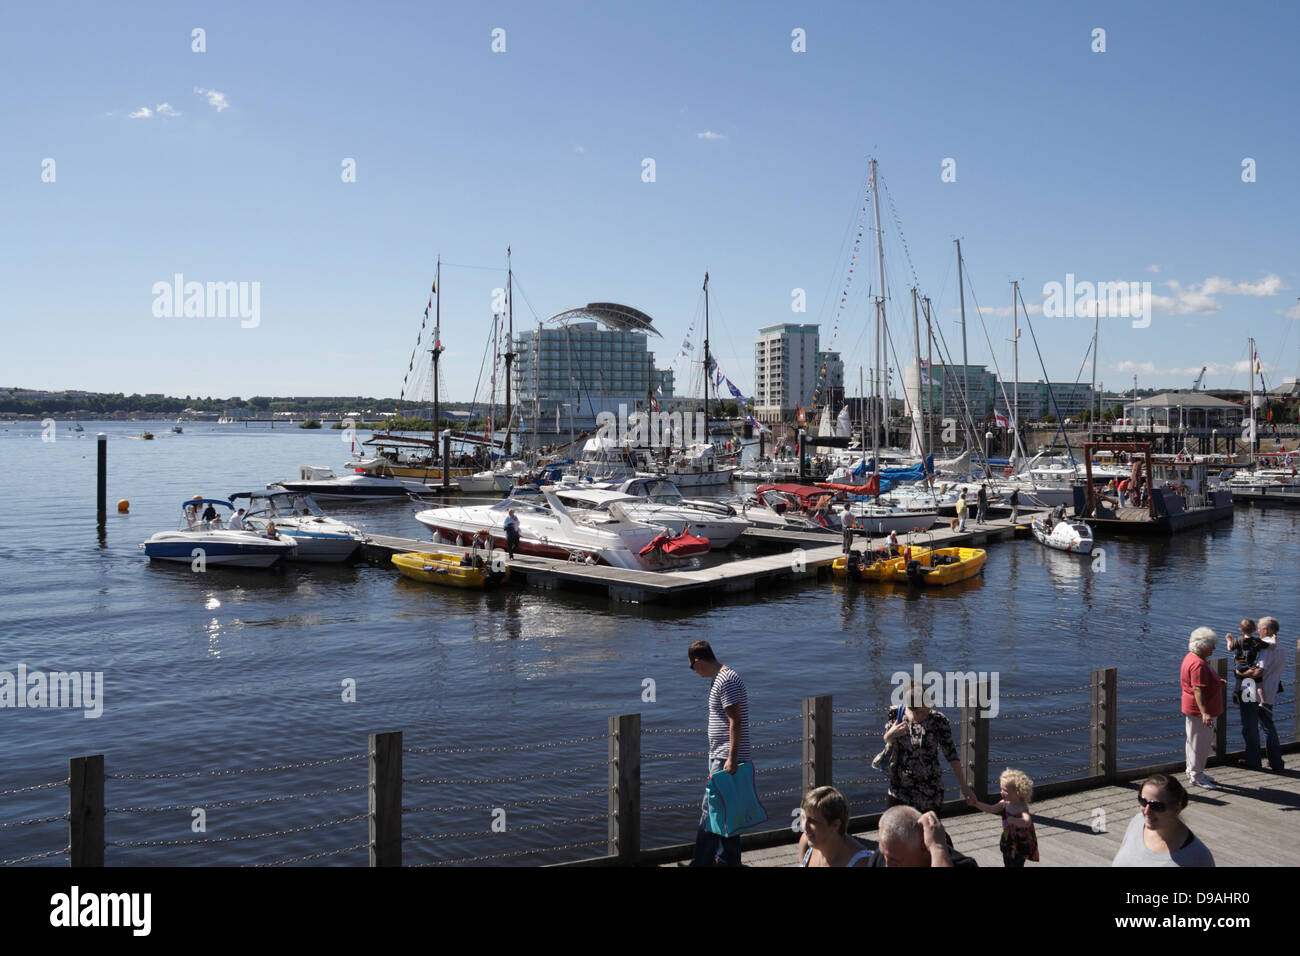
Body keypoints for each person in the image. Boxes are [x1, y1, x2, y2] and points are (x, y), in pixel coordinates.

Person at [688, 640, 751, 867]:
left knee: (710, 810)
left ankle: (701, 863)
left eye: (691, 667)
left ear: (698, 661)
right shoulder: (721, 679)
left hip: (726, 758)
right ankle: (727, 860)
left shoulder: (726, 680)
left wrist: (732, 759)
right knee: (728, 811)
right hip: (722, 756)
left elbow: (735, 721)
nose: (693, 672)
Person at [882, 677, 974, 814]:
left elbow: (952, 755)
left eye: (927, 709)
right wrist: (889, 735)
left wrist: (964, 786)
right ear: (910, 708)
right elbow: (887, 741)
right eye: (920, 712)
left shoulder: (938, 720)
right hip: (899, 788)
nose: (924, 713)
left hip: (929, 789)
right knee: (895, 830)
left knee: (928, 831)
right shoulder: (896, 715)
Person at [1111, 774, 1215, 867]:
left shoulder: (1198, 857)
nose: (1147, 811)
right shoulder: (1137, 822)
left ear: (1176, 809)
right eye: (1143, 801)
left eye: (1156, 806)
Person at [1180, 627, 1226, 789]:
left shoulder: (1191, 658)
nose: (1213, 648)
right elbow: (1197, 689)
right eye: (1211, 645)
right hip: (1200, 711)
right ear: (1202, 646)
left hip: (1193, 708)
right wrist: (1205, 712)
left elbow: (1200, 684)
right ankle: (1196, 776)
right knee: (1201, 743)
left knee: (1193, 741)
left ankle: (1193, 770)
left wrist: (1216, 682)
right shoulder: (1198, 664)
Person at [966, 768, 1039, 867]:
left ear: (1018, 792)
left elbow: (1027, 821)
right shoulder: (1005, 803)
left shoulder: (1022, 806)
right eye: (1001, 789)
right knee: (1007, 862)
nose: (1001, 792)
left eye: (1005, 790)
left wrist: (1015, 820)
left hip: (1019, 845)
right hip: (1008, 841)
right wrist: (976, 804)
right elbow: (991, 809)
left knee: (1016, 864)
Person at [1239, 617, 1285, 772]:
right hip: (1270, 690)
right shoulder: (1281, 646)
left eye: (1259, 627)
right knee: (1268, 726)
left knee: (1249, 727)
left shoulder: (1266, 649)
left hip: (1253, 691)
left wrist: (1240, 673)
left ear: (1266, 630)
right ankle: (1276, 761)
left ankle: (1253, 760)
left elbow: (1259, 670)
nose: (1257, 630)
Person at [867, 806, 977, 867]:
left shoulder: (963, 865)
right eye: (884, 854)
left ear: (924, 847)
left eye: (895, 860)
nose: (887, 865)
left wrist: (937, 848)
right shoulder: (881, 857)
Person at [796, 786, 871, 867]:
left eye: (813, 820)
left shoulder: (861, 863)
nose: (804, 826)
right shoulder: (806, 841)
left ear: (835, 825)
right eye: (803, 817)